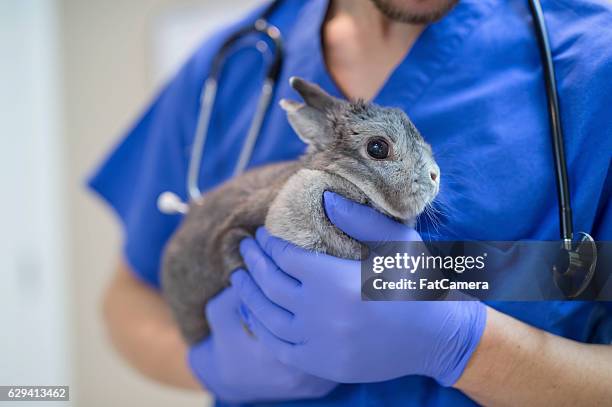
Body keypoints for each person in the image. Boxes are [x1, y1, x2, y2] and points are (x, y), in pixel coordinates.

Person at [89, 0, 612, 405]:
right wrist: (206, 364)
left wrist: (467, 346)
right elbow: (128, 300)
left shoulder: (594, 64)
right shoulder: (232, 65)